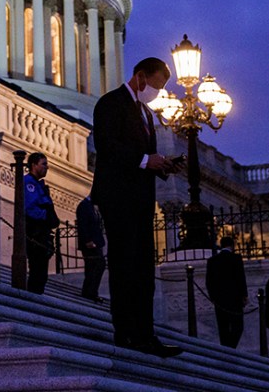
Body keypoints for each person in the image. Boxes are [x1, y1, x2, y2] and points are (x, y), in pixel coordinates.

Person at [90, 57, 186, 358]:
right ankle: (125, 333)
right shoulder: (110, 103)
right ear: (141, 76)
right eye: (156, 86)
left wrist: (162, 165)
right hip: (117, 197)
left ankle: (146, 334)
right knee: (124, 264)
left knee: (144, 268)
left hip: (141, 198)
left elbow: (142, 154)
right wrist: (146, 160)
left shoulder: (145, 112)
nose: (158, 92)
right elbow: (106, 145)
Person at [205, 235, 248, 348]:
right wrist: (244, 295)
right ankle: (231, 347)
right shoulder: (236, 258)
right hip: (235, 299)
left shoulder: (212, 261)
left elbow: (209, 282)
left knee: (223, 326)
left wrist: (213, 297)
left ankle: (226, 348)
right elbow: (240, 278)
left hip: (219, 300)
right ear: (232, 246)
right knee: (238, 326)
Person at [23, 152, 57, 294]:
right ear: (33, 165)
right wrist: (46, 216)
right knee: (37, 269)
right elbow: (29, 208)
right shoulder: (29, 183)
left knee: (42, 272)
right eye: (43, 164)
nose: (46, 167)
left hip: (42, 232)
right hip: (35, 232)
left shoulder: (39, 185)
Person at [75, 194, 106, 301]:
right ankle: (89, 292)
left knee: (98, 266)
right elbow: (82, 225)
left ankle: (92, 291)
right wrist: (87, 241)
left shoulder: (94, 207)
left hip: (97, 243)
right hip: (90, 244)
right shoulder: (84, 206)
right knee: (93, 267)